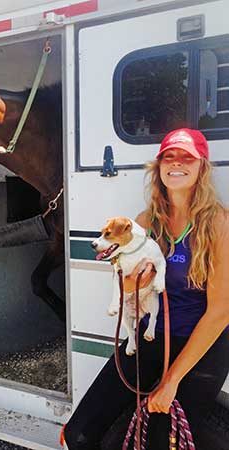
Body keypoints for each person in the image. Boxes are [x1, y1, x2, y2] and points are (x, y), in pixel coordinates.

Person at [64, 128, 229, 450]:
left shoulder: (219, 225)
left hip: (202, 346)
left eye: (187, 158)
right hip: (151, 335)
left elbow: (221, 311)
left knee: (160, 439)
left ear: (201, 167)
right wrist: (131, 279)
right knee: (78, 434)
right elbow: (130, 289)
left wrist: (171, 382)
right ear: (159, 167)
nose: (177, 163)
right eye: (169, 157)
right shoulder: (145, 222)